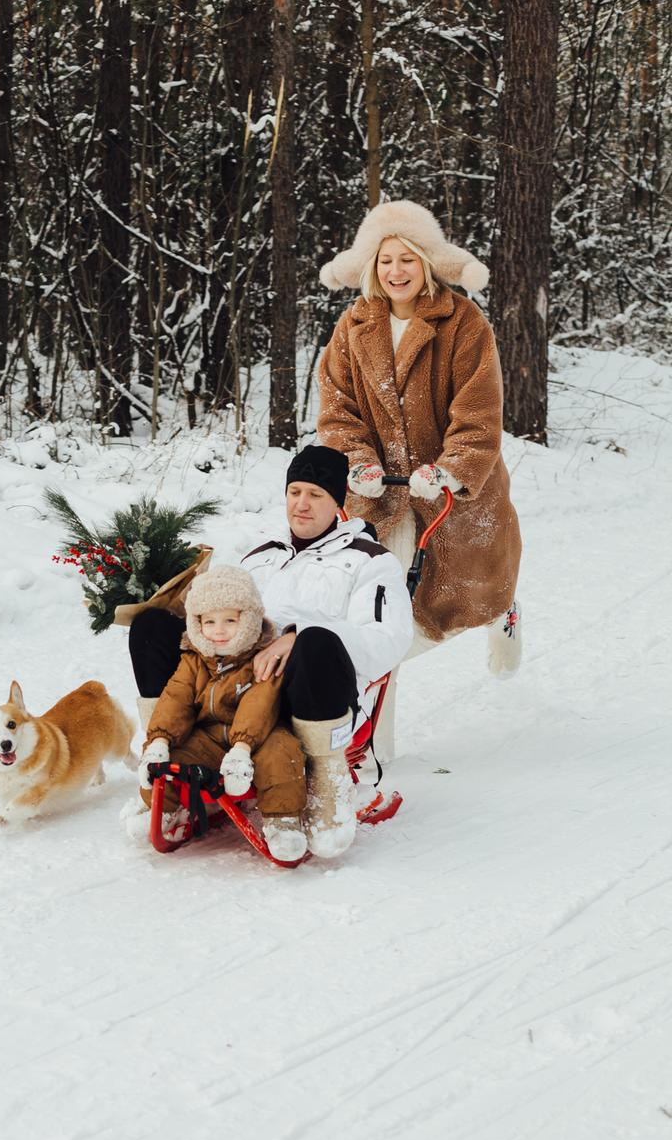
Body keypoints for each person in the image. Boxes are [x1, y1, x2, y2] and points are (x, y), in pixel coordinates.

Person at [130, 447, 414, 858]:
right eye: (294, 491)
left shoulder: (370, 562)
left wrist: (297, 635)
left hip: (314, 694)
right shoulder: (261, 557)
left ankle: (325, 790)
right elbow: (224, 617)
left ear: (338, 502)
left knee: (315, 642)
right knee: (152, 628)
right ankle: (166, 773)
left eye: (315, 494)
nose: (301, 504)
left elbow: (389, 641)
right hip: (237, 693)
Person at [317, 201, 522, 727]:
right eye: (386, 260)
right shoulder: (353, 326)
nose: (397, 271)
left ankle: (502, 613)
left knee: (466, 595)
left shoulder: (464, 323)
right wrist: (355, 460)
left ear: (427, 263)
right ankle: (371, 752)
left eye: (407, 259)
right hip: (380, 494)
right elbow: (337, 411)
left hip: (450, 492)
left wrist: (452, 469)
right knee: (380, 622)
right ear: (372, 266)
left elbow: (478, 410)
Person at [137, 564, 309, 863]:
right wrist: (160, 740)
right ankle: (165, 810)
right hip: (211, 738)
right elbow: (175, 697)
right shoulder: (194, 660)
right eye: (209, 621)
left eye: (230, 620)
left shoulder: (262, 655)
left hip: (259, 737)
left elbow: (261, 702)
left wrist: (242, 747)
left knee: (282, 752)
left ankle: (283, 822)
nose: (219, 630)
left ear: (249, 619)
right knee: (169, 757)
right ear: (196, 623)